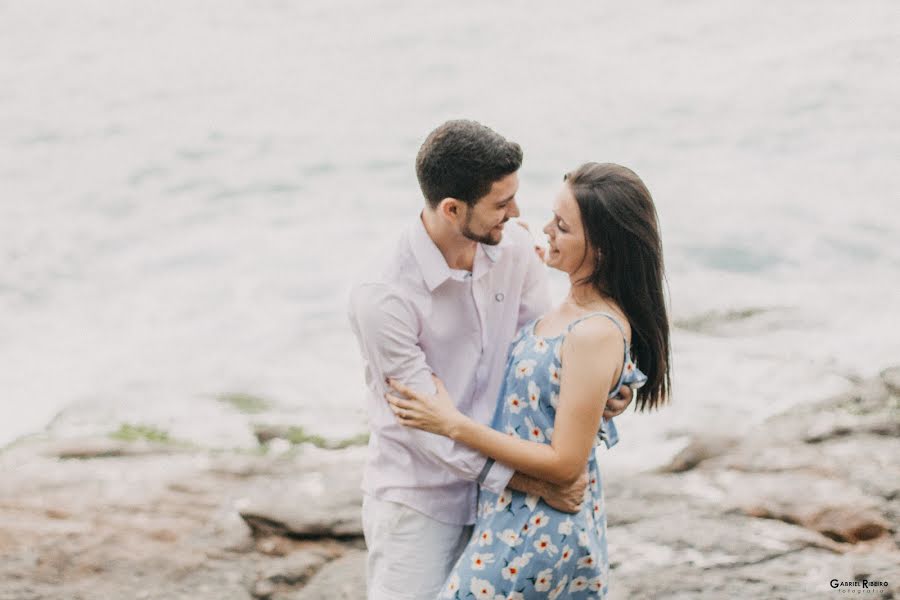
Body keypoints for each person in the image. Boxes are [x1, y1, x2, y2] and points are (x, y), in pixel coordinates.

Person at [348, 121, 633, 600]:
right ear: (453, 209)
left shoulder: (515, 249)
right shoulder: (384, 296)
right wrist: (533, 481)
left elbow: (545, 352)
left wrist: (609, 386)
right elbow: (425, 426)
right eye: (501, 204)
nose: (517, 213)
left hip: (504, 500)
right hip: (421, 498)